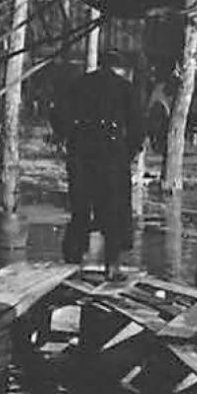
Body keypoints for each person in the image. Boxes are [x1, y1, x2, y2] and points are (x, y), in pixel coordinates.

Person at [51, 49, 146, 280]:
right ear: (118, 67)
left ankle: (73, 260)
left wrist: (69, 137)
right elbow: (138, 125)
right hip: (112, 156)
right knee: (112, 210)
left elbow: (58, 115)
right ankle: (112, 265)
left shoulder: (79, 84)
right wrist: (130, 151)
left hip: (82, 154)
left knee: (80, 208)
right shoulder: (125, 88)